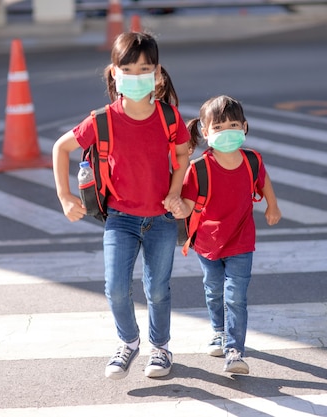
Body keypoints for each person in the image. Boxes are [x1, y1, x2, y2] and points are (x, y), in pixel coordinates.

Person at [52, 32, 191, 380]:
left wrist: (176, 194)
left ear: (157, 73)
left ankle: (160, 348)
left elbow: (182, 159)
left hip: (160, 218)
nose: (136, 75)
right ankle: (128, 342)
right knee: (115, 287)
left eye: (144, 68)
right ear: (114, 72)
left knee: (157, 289)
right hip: (121, 218)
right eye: (127, 68)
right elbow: (60, 147)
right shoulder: (102, 120)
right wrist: (64, 196)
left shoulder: (169, 117)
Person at [171, 95, 281, 374]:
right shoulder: (199, 168)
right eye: (219, 127)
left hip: (241, 241)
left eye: (233, 124)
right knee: (213, 290)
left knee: (235, 296)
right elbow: (187, 205)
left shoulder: (252, 160)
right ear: (205, 133)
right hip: (207, 243)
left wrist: (272, 205)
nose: (227, 131)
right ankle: (218, 330)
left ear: (244, 126)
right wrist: (175, 206)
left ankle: (234, 351)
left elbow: (263, 180)